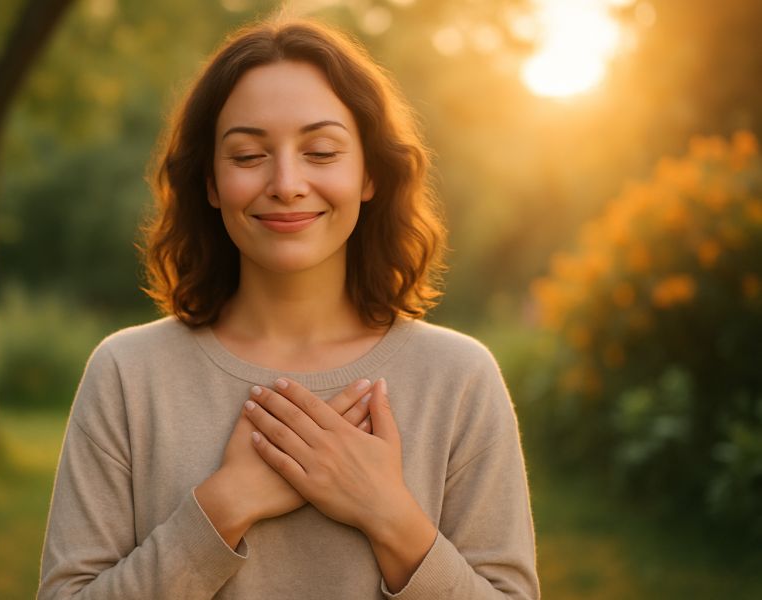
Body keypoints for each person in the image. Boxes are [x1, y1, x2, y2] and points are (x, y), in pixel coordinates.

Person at [37, 17, 539, 600]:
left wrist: (387, 514)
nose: (286, 183)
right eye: (248, 155)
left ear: (370, 174)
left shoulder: (460, 378)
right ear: (210, 182)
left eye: (321, 151)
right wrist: (224, 506)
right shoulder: (127, 373)